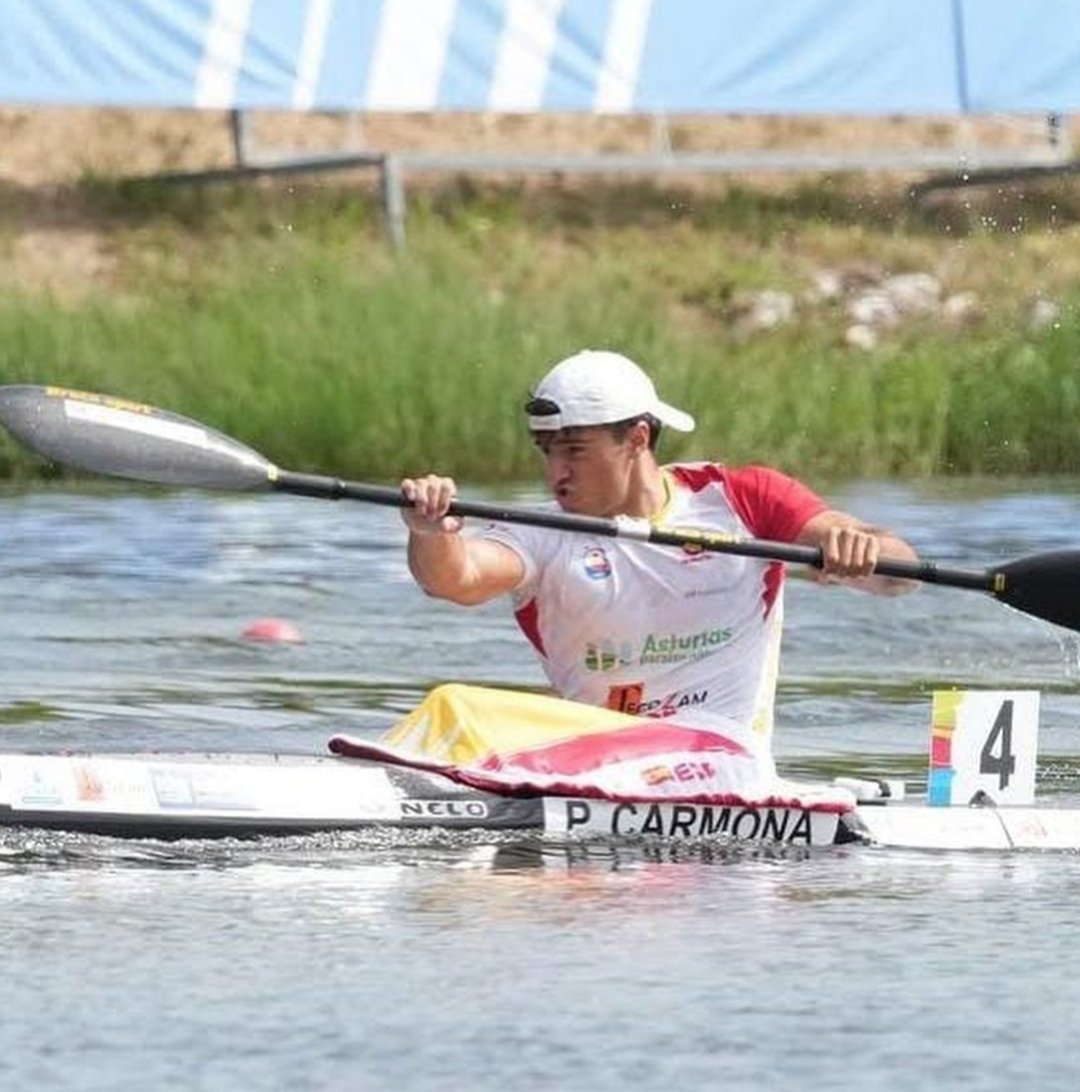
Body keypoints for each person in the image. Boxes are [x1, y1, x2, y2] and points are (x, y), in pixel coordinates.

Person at [400, 349, 917, 739]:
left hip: (721, 756)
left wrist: (862, 554)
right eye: (547, 451)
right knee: (454, 708)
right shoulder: (541, 532)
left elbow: (900, 574)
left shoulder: (744, 499)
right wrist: (430, 532)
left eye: (574, 451)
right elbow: (457, 579)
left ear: (638, 439)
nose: (556, 472)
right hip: (591, 756)